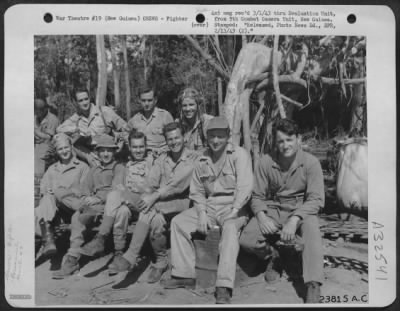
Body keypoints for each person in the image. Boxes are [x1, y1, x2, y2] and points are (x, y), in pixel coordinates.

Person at [162, 116, 253, 304]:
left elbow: (245, 188)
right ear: (207, 137)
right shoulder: (202, 158)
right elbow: (196, 191)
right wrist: (202, 213)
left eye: (220, 136)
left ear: (228, 136)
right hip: (210, 207)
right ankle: (184, 274)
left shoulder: (239, 155)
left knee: (229, 230)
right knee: (179, 222)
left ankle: (223, 286)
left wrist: (234, 210)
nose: (216, 141)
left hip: (234, 207)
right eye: (212, 136)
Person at [239, 119, 325, 303]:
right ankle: (275, 255)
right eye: (280, 141)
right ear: (275, 143)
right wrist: (261, 217)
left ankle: (313, 285)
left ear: (298, 139)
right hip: (275, 208)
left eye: (289, 139)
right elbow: (257, 196)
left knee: (312, 229)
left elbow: (316, 199)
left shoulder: (311, 163)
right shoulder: (265, 162)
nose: (285, 145)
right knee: (247, 240)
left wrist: (294, 220)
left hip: (302, 209)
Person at [106, 122, 199, 283]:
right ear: (166, 141)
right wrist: (146, 196)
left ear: (184, 138)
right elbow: (151, 183)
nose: (174, 142)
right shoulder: (162, 158)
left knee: (151, 207)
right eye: (170, 139)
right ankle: (161, 261)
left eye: (177, 137)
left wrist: (153, 197)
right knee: (154, 216)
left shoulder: (193, 158)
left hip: (184, 202)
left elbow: (176, 185)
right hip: (161, 203)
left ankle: (131, 255)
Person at [52, 134, 125, 279]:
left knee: (87, 212)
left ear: (114, 152)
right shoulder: (94, 170)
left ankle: (114, 254)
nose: (105, 154)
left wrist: (98, 198)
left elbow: (117, 190)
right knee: (77, 217)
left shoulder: (119, 168)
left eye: (109, 151)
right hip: (95, 207)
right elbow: (84, 190)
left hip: (111, 206)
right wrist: (86, 199)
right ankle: (73, 258)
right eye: (102, 151)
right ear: (97, 152)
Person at [79, 130, 154, 266]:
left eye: (141, 147)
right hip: (129, 202)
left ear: (146, 147)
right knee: (122, 211)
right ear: (129, 148)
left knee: (114, 194)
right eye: (135, 147)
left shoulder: (152, 162)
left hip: (145, 203)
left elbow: (152, 187)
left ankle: (101, 237)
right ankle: (119, 253)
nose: (138, 150)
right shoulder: (127, 164)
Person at [35, 133, 90, 258]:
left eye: (66, 147)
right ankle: (48, 241)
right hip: (55, 211)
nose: (64, 151)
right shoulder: (52, 169)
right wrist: (47, 191)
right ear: (56, 151)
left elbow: (85, 191)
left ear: (71, 147)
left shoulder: (82, 167)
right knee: (46, 199)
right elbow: (44, 187)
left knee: (51, 197)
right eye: (60, 149)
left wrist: (63, 192)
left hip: (73, 207)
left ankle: (46, 240)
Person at [56, 88, 129, 166]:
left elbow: (126, 128)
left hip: (107, 151)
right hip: (89, 153)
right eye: (81, 101)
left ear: (90, 98)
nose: (84, 103)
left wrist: (119, 144)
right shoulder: (76, 117)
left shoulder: (103, 111)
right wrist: (76, 129)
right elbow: (59, 129)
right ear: (76, 103)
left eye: (86, 99)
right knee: (62, 138)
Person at [127, 85, 174, 157]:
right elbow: (125, 133)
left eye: (149, 100)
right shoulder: (135, 119)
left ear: (155, 100)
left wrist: (163, 150)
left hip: (162, 156)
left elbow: (174, 138)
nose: (146, 104)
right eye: (143, 100)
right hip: (142, 158)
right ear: (139, 100)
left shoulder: (165, 116)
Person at [176, 87, 213, 151]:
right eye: (184, 105)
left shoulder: (208, 121)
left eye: (191, 105)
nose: (188, 109)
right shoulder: (178, 124)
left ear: (198, 105)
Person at [34, 98, 60, 177]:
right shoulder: (35, 117)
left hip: (50, 145)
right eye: (35, 111)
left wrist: (33, 130)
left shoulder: (52, 119)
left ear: (44, 109)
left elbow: (48, 138)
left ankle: (38, 178)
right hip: (37, 143)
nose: (36, 113)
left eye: (38, 111)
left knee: (39, 154)